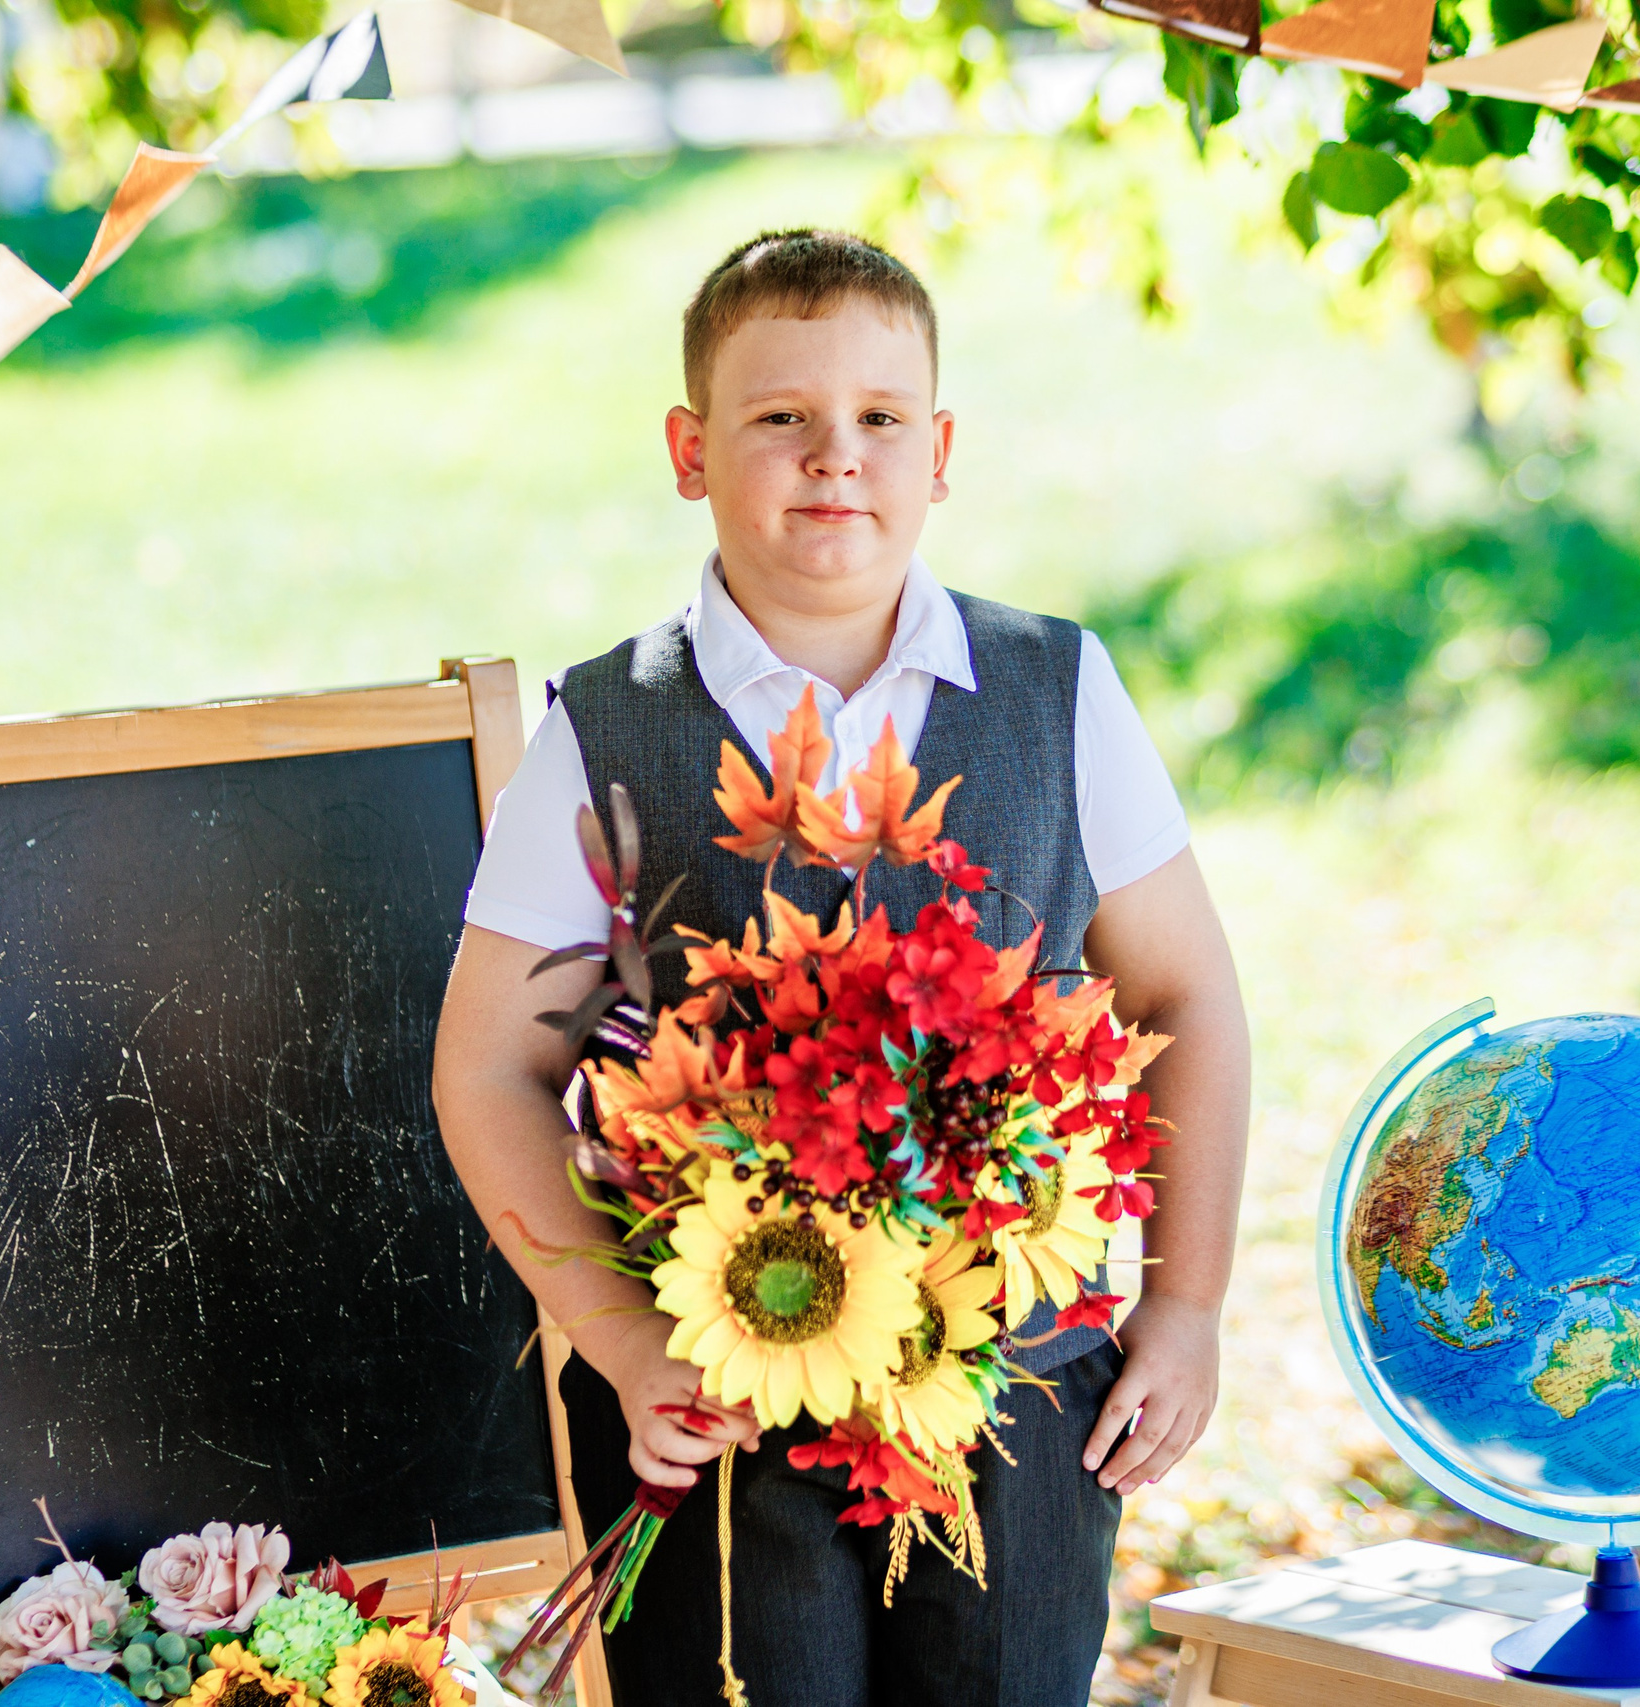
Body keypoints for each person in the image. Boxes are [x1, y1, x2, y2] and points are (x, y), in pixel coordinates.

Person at [431, 228, 1250, 1706]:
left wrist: (1184, 1308)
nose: (834, 458)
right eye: (779, 419)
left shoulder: (1057, 691)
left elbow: (1185, 997)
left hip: (1019, 1392)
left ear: (940, 451)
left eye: (879, 420)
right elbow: (490, 1063)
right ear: (691, 451)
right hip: (719, 1402)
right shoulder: (606, 730)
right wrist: (617, 1347)